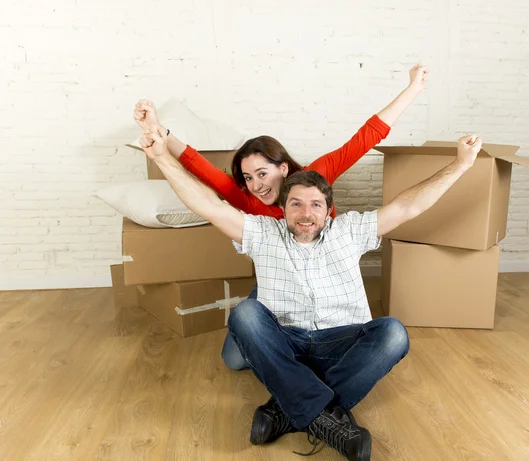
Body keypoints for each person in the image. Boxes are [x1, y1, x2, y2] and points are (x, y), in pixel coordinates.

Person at [138, 125, 483, 461]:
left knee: (393, 333)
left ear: (328, 208)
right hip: (287, 342)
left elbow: (409, 205)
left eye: (315, 205)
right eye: (296, 205)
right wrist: (162, 158)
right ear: (282, 208)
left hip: (342, 343)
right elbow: (207, 204)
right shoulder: (263, 233)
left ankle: (286, 410)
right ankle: (325, 416)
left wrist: (461, 164)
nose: (306, 214)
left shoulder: (350, 230)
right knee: (245, 314)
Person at [134, 64, 429, 371]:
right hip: (279, 278)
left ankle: (308, 354)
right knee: (234, 360)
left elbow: (365, 138)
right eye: (248, 177)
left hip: (326, 274)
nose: (257, 184)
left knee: (339, 345)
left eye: (262, 173)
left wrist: (412, 89)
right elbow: (198, 165)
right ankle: (291, 352)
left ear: (284, 168)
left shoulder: (313, 178)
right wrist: (158, 131)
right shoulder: (245, 197)